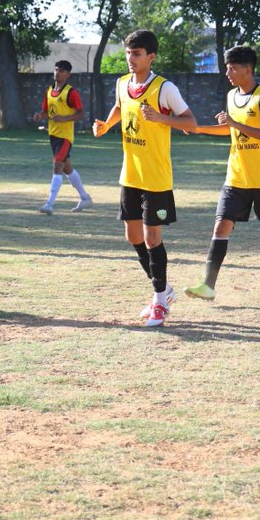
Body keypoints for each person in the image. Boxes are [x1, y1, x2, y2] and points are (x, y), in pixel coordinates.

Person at [93, 29, 197, 327]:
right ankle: (163, 290)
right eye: (128, 53)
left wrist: (162, 118)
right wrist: (106, 124)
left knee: (153, 238)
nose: (130, 59)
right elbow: (119, 107)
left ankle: (161, 302)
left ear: (151, 57)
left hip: (156, 177)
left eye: (137, 54)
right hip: (130, 175)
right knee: (133, 236)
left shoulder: (165, 88)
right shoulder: (122, 83)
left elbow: (190, 122)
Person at [184, 46, 260, 303]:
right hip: (235, 177)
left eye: (233, 68)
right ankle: (208, 285)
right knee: (221, 224)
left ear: (248, 69)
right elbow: (230, 131)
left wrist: (234, 124)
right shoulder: (231, 96)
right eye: (227, 68)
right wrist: (200, 129)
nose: (228, 73)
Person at [31, 59, 92, 214]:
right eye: (56, 69)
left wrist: (63, 119)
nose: (57, 73)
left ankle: (49, 204)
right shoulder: (49, 90)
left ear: (68, 75)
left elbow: (81, 114)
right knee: (67, 168)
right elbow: (46, 110)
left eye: (62, 71)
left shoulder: (70, 93)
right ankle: (85, 198)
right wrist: (40, 115)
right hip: (53, 135)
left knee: (57, 166)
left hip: (65, 136)